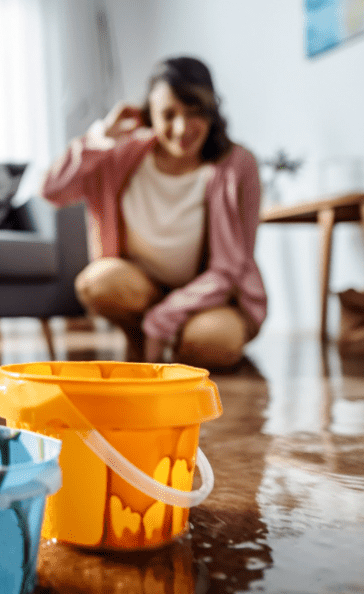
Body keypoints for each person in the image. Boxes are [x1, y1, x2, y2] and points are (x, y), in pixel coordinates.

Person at [41, 56, 266, 369]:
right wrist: (101, 135)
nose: (181, 128)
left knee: (211, 344)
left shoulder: (238, 165)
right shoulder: (122, 155)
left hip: (210, 297)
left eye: (194, 112)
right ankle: (143, 342)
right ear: (149, 116)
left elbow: (230, 266)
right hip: (142, 291)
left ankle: (173, 341)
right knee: (98, 281)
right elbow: (52, 189)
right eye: (168, 115)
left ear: (211, 110)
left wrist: (165, 317)